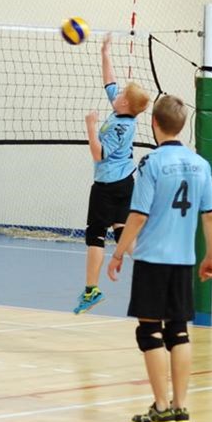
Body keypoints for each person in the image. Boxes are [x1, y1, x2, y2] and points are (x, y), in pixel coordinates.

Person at [108, 94, 212, 422]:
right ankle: (180, 408)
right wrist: (211, 256)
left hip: (153, 259)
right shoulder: (201, 164)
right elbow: (210, 217)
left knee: (150, 332)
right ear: (181, 125)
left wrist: (118, 253)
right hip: (184, 261)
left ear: (155, 123)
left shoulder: (151, 163)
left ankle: (161, 408)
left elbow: (138, 216)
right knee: (178, 332)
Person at [74, 33, 150, 315]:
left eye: (120, 95)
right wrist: (105, 52)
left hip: (108, 185)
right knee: (121, 233)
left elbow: (98, 154)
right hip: (124, 183)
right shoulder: (122, 112)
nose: (115, 95)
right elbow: (110, 82)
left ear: (126, 104)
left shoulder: (120, 127)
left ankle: (91, 291)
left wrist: (90, 126)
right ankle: (152, 273)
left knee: (95, 234)